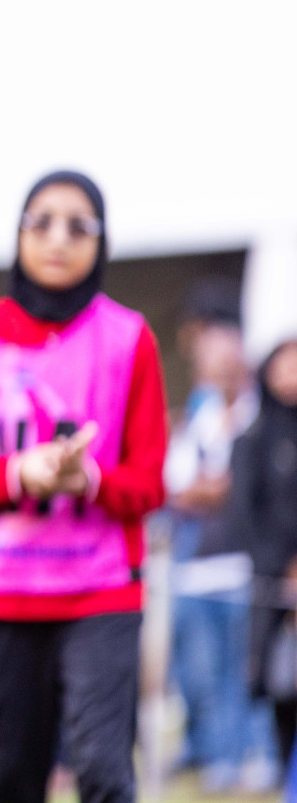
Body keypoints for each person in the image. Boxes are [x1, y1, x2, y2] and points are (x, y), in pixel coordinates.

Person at [0, 171, 168, 803]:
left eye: (78, 225)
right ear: (18, 236)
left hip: (101, 591)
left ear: (102, 241)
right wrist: (18, 474)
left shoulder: (130, 338)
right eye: (41, 222)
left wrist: (87, 477)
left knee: (104, 774)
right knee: (0, 780)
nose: (58, 238)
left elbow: (148, 483)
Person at [164, 319, 265, 791]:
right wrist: (210, 490)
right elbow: (177, 489)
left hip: (244, 566)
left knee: (245, 668)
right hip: (196, 568)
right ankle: (217, 756)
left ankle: (254, 755)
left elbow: (240, 488)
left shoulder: (259, 419)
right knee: (201, 673)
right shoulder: (197, 420)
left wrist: (213, 490)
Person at [233, 338, 297, 769]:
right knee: (279, 680)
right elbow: (246, 514)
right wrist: (282, 569)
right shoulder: (253, 439)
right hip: (273, 582)